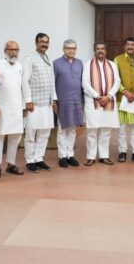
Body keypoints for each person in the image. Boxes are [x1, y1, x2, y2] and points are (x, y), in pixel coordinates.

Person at [22, 33, 57, 173]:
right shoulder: (29, 58)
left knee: (45, 132)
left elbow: (52, 81)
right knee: (31, 132)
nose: (44, 44)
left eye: (47, 42)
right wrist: (28, 101)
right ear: (36, 43)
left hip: (47, 103)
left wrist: (54, 99)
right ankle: (29, 160)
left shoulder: (48, 58)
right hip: (34, 103)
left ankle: (39, 158)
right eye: (42, 41)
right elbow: (24, 80)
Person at [82, 42, 120, 165]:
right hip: (94, 102)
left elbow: (117, 82)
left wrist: (108, 96)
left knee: (106, 130)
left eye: (102, 49)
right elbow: (85, 84)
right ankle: (91, 157)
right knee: (92, 131)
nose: (100, 51)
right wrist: (98, 97)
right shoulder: (88, 65)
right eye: (98, 49)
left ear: (106, 51)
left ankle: (104, 156)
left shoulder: (112, 65)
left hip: (108, 101)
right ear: (94, 50)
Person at [0, 41, 26, 177]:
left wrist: (24, 106)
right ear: (5, 50)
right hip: (2, 107)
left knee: (15, 136)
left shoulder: (19, 66)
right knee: (0, 136)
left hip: (17, 106)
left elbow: (23, 87)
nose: (14, 52)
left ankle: (11, 165)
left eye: (16, 50)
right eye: (11, 49)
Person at [114, 37, 134, 163]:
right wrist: (125, 92)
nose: (131, 47)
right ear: (125, 46)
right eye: (128, 45)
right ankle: (122, 151)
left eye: (133, 45)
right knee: (121, 127)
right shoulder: (117, 59)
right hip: (121, 98)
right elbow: (115, 79)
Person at [53, 39, 84, 168]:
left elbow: (82, 83)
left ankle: (70, 155)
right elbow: (52, 83)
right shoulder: (56, 63)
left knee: (72, 129)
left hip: (76, 101)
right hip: (63, 102)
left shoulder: (80, 63)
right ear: (63, 49)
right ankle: (62, 156)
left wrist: (82, 101)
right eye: (69, 48)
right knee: (62, 129)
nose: (71, 50)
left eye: (74, 48)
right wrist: (54, 100)